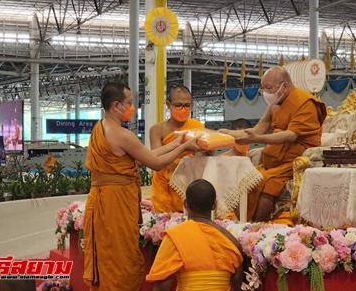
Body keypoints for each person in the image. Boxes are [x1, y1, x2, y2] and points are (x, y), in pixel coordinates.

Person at [83, 82, 200, 291]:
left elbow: (143, 156)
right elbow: (155, 164)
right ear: (116, 105)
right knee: (121, 256)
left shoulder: (101, 127)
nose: (133, 107)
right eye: (129, 103)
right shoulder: (122, 134)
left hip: (103, 199)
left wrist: (175, 143)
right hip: (115, 202)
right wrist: (185, 147)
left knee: (108, 253)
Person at [220, 66, 326, 222]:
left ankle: (257, 224)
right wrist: (226, 134)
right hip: (275, 159)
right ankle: (241, 220)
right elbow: (258, 130)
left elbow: (291, 135)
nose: (265, 93)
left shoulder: (305, 103)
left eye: (269, 88)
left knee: (267, 181)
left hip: (296, 160)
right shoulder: (275, 104)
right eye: (263, 88)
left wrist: (256, 139)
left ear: (284, 86)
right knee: (248, 178)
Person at [146, 179, 244, 291]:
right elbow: (238, 285)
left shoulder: (176, 237)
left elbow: (162, 287)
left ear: (185, 204)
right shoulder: (231, 241)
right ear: (214, 205)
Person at [150, 85, 205, 213]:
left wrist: (208, 150)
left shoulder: (197, 126)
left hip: (188, 176)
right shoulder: (157, 130)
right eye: (178, 105)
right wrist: (181, 147)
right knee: (165, 218)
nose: (183, 109)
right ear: (168, 105)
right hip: (163, 179)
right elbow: (155, 158)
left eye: (187, 105)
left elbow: (206, 155)